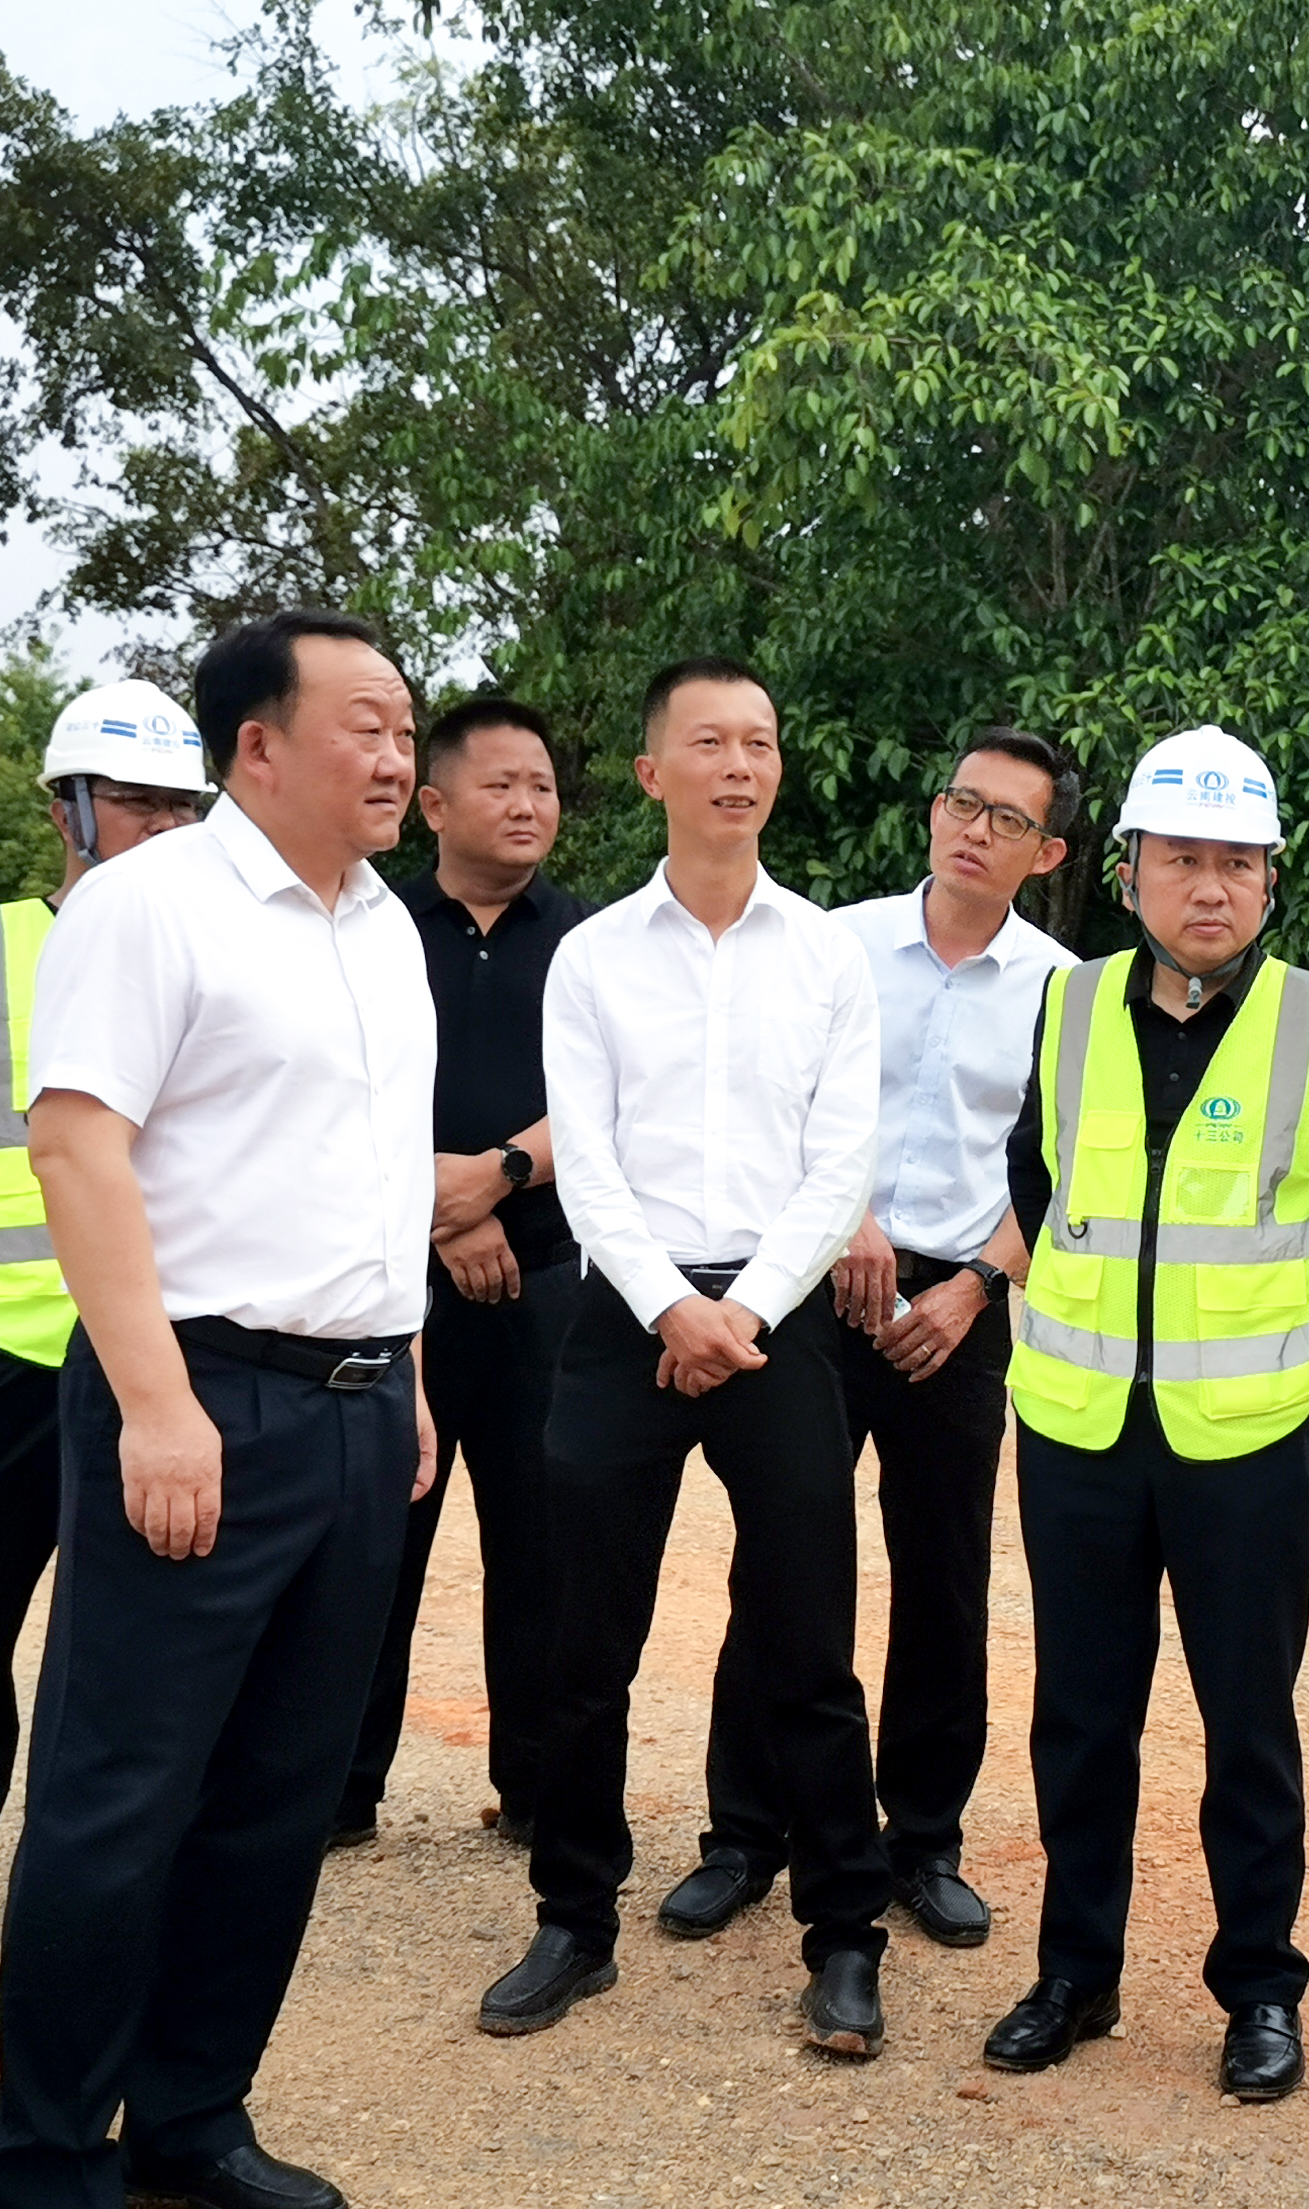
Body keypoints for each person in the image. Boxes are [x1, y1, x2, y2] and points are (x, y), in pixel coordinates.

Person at [0, 612, 439, 2209]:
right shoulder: (150, 906)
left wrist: (412, 1376)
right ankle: (42, 2158)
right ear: (257, 745)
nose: (397, 755)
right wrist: (159, 1410)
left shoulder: (385, 922)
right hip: (200, 1398)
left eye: (405, 726)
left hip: (362, 1411)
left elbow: (369, 1180)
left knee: (273, 1804)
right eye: (365, 724)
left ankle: (191, 2122)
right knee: (121, 1796)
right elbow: (76, 1151)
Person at [979, 727, 1309, 2104]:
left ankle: (1257, 1989)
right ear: (1128, 872)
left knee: (1246, 1722)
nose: (1211, 887)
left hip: (1241, 1441)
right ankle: (1076, 1975)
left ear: (1267, 881)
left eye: (1237, 864)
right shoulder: (1070, 1009)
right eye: (1183, 859)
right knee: (1080, 1714)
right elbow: (1037, 1165)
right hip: (1074, 1429)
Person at [480, 657, 897, 2059]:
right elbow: (583, 1163)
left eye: (760, 742)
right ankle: (572, 1921)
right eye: (707, 742)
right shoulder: (593, 956)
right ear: (654, 773)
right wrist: (671, 1311)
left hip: (776, 1328)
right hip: (625, 1322)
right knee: (583, 1642)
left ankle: (844, 1937)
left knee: (808, 1650)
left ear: (778, 772)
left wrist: (747, 1315)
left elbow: (841, 1157)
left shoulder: (827, 956)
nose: (738, 763)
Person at [670, 727, 1079, 1951]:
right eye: (962, 799)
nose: (973, 827)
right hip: (810, 1284)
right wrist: (844, 1224)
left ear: (1046, 850)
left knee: (945, 1578)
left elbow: (1063, 1167)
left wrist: (976, 1289)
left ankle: (925, 1837)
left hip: (958, 1312)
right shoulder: (828, 941)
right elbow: (772, 1107)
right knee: (784, 1558)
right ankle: (745, 1831)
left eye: (1007, 818)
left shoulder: (1067, 988)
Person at [0, 679, 207, 1985]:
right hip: (7, 1355)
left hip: (161, 1365)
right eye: (134, 802)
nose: (163, 827)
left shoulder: (212, 954)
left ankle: (116, 1887)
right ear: (67, 809)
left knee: (144, 1649)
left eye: (183, 805)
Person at [332, 697, 593, 1848]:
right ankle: (336, 1791)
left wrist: (492, 1178)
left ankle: (536, 1792)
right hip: (392, 1288)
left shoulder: (589, 943)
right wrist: (440, 1221)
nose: (528, 803)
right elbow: (338, 1097)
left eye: (540, 783)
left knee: (543, 1549)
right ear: (434, 802)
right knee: (376, 1540)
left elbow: (615, 1104)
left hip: (548, 1285)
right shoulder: (368, 928)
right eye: (501, 783)